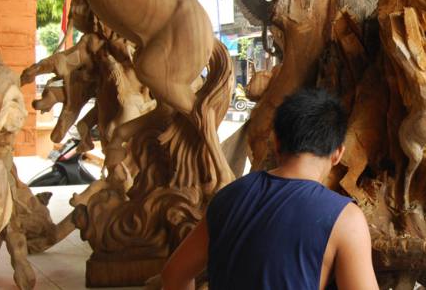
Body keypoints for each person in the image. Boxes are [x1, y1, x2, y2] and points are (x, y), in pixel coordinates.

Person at [161, 89, 378, 290]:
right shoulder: (346, 219)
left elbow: (174, 273)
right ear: (338, 153)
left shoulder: (228, 196)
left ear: (276, 143)